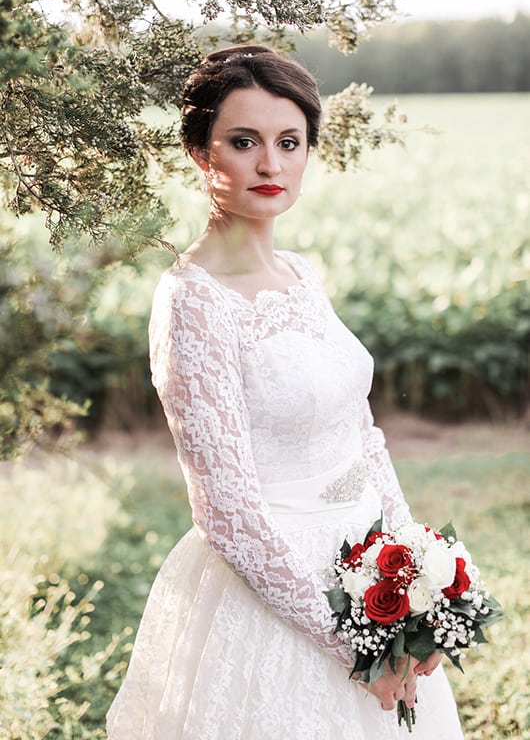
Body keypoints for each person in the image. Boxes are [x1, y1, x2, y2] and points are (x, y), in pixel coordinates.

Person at [106, 44, 464, 739]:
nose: (270, 164)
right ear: (200, 152)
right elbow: (230, 515)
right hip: (279, 595)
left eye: (289, 142)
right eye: (244, 142)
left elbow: (361, 436)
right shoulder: (193, 303)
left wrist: (413, 563)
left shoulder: (301, 273)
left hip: (371, 569)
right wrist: (353, 646)